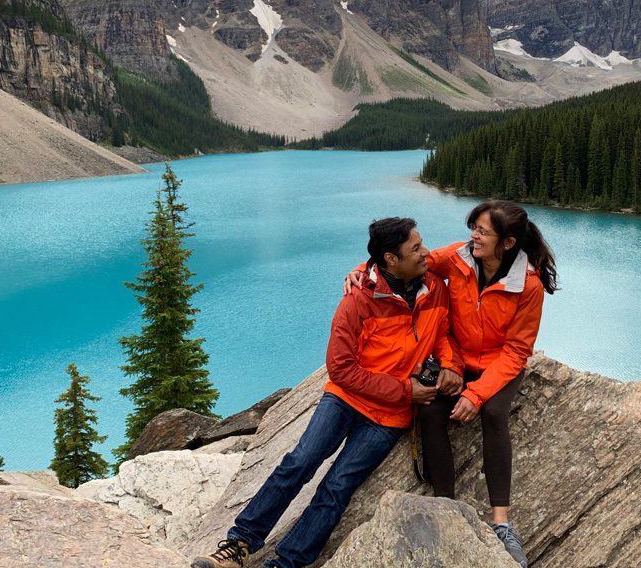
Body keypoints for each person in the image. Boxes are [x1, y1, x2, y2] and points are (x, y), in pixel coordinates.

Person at [191, 217, 461, 568]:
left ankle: (286, 563)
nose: (426, 253)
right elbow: (341, 368)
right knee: (299, 462)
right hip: (348, 399)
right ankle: (239, 545)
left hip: (389, 417)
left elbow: (443, 334)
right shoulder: (358, 299)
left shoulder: (434, 288)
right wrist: (403, 390)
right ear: (390, 259)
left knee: (338, 486)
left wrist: (452, 364)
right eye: (415, 248)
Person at [345, 200, 557, 568]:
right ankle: (446, 506)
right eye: (472, 227)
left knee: (493, 413)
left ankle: (502, 523)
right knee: (429, 410)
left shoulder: (529, 285)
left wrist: (475, 394)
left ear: (506, 244)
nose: (472, 236)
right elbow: (408, 261)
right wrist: (363, 270)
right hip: (456, 359)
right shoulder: (458, 259)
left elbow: (517, 350)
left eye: (482, 231)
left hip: (498, 364)